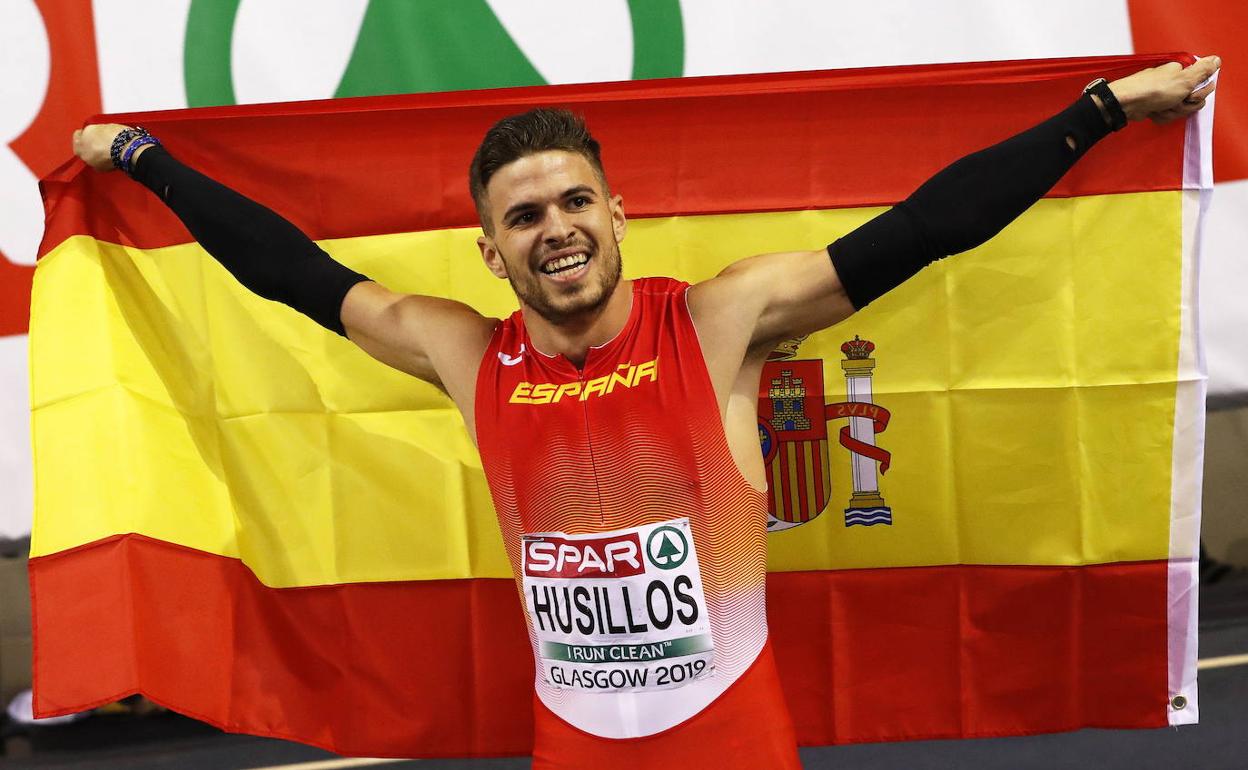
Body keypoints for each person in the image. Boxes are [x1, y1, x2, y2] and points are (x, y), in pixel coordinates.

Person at [72, 56, 1219, 769]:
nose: (555, 226)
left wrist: (1100, 111)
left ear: (619, 214)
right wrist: (143, 158)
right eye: (524, 216)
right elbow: (289, 269)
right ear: (490, 246)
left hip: (731, 741)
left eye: (576, 200)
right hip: (573, 746)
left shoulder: (722, 321)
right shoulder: (463, 352)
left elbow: (924, 227)